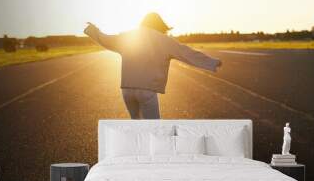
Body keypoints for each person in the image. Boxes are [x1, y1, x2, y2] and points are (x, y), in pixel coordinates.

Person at [84, 12, 222, 119]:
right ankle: (152, 155)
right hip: (147, 90)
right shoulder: (164, 40)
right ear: (160, 24)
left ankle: (138, 152)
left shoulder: (128, 36)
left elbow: (105, 40)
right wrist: (211, 62)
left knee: (136, 125)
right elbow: (187, 53)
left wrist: (93, 30)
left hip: (127, 89)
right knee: (153, 128)